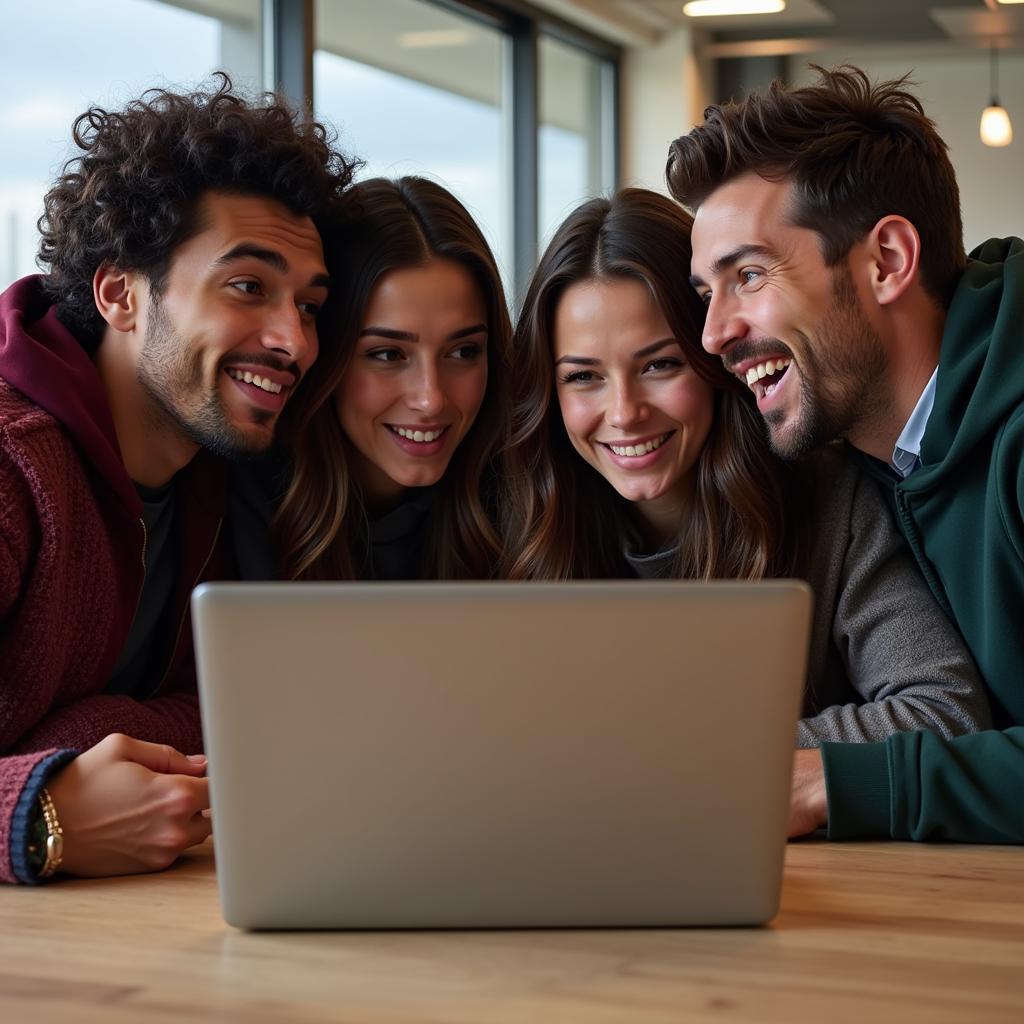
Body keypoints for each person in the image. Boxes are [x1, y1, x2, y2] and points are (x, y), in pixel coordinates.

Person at [0, 75, 357, 883]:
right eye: (247, 287)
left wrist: (88, 730)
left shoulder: (231, 471)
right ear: (122, 294)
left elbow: (253, 713)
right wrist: (37, 812)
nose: (294, 341)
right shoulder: (13, 467)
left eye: (308, 305)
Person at [668, 65, 1024, 842]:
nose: (713, 334)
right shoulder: (870, 452)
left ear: (887, 260)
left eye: (749, 276)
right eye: (706, 293)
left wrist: (842, 781)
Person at [502, 187, 988, 749]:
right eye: (583, 377)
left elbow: (946, 708)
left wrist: (717, 755)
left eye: (660, 365)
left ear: (717, 362)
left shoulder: (830, 500)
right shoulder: (529, 521)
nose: (624, 414)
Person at [231, 176, 511, 581]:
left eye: (463, 352)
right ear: (328, 354)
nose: (430, 398)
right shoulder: (237, 494)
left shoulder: (522, 494)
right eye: (387, 354)